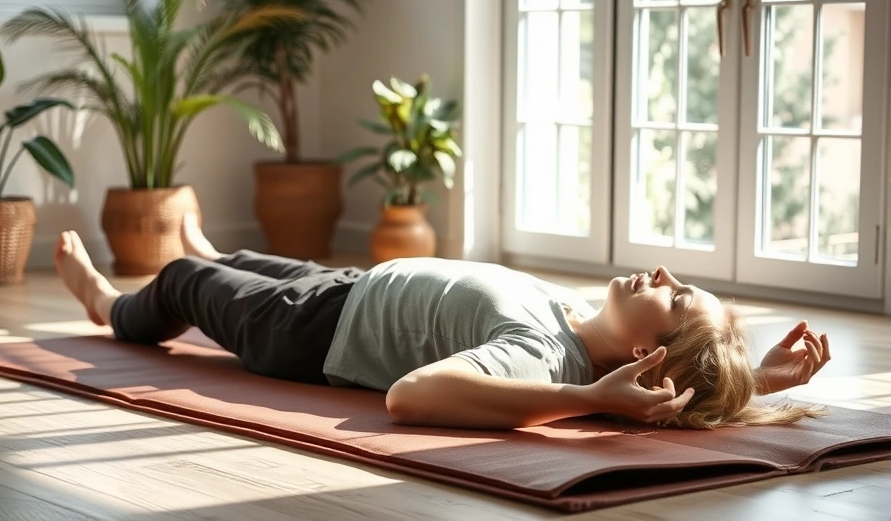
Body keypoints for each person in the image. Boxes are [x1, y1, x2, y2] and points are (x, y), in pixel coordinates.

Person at [53, 214, 831, 431]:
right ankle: (225, 258)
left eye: (677, 297)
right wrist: (758, 380)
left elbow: (410, 397)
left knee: (183, 281)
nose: (663, 275)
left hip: (308, 331)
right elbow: (686, 387)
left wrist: (590, 400)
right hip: (350, 287)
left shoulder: (544, 356)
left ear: (643, 352)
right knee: (247, 260)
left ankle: (110, 306)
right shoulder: (578, 320)